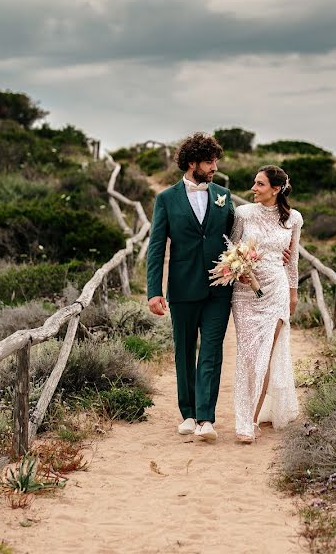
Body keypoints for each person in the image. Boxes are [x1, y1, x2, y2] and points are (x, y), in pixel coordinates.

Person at [146, 133, 234, 441]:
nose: (214, 167)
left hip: (219, 290)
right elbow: (156, 246)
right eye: (209, 162)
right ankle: (188, 414)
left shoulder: (224, 195)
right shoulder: (166, 199)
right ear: (192, 163)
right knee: (184, 351)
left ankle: (206, 419)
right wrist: (154, 290)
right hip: (182, 288)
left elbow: (238, 233)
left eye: (216, 162)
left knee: (211, 351)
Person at [230, 165, 302, 443]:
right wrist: (238, 271)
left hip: (277, 292)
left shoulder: (293, 219)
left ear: (276, 189)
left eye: (259, 184)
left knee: (265, 355)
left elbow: (293, 259)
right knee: (249, 355)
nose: (253, 189)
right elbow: (230, 249)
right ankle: (245, 416)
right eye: (254, 183)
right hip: (245, 294)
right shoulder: (243, 214)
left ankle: (249, 421)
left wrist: (293, 294)